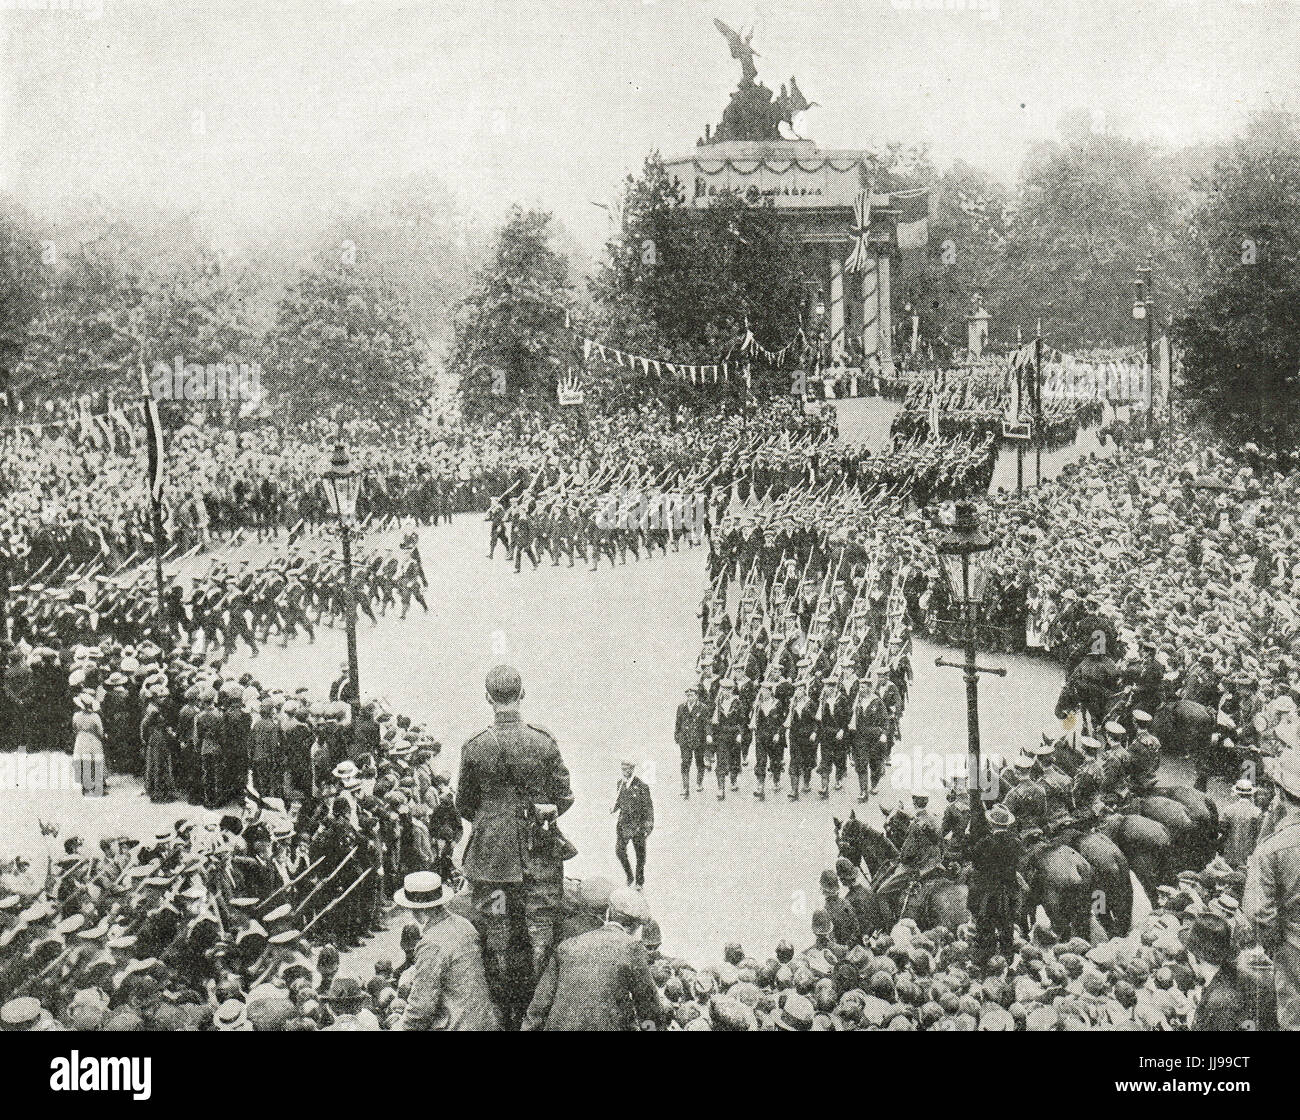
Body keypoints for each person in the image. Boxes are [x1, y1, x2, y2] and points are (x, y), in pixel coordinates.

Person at [456, 665, 574, 986]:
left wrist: (493, 821)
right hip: (538, 851)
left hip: (493, 856)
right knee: (541, 928)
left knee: (496, 930)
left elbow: (464, 805)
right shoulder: (543, 741)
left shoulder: (475, 746)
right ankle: (538, 999)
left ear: (487, 698)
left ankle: (502, 999)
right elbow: (564, 797)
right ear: (522, 695)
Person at [521, 887, 661, 1031]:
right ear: (636, 926)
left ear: (608, 913)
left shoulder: (567, 946)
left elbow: (538, 1007)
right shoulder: (632, 948)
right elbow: (649, 1010)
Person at [393, 871, 498, 1031]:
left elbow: (421, 1008)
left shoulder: (431, 943)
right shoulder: (464, 924)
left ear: (413, 909)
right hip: (485, 1021)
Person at [1243, 751, 1300, 1030]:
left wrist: (1275, 944)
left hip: (1293, 946)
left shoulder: (1274, 847)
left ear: (1280, 791)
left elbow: (1258, 913)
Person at [967, 801, 1023, 967]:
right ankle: (1008, 960)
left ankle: (986, 961)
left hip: (989, 894)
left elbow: (976, 864)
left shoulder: (985, 842)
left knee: (986, 930)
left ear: (991, 823)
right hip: (1009, 892)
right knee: (1007, 929)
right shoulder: (1016, 842)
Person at [612, 759, 653, 889]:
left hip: (638, 826)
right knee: (619, 851)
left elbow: (648, 808)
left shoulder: (642, 786)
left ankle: (639, 881)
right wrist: (614, 807)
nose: (624, 772)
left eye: (627, 769)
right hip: (624, 824)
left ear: (632, 769)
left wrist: (648, 825)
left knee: (640, 854)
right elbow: (619, 801)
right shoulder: (620, 784)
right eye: (622, 769)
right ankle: (629, 875)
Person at [674, 686, 708, 798]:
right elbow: (678, 723)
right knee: (685, 763)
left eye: (692, 695)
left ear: (697, 696)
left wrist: (708, 735)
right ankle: (685, 787)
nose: (690, 698)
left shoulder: (703, 708)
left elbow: (706, 724)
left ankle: (699, 782)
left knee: (699, 762)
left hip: (699, 740)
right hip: (685, 740)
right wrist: (677, 736)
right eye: (688, 696)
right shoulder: (681, 707)